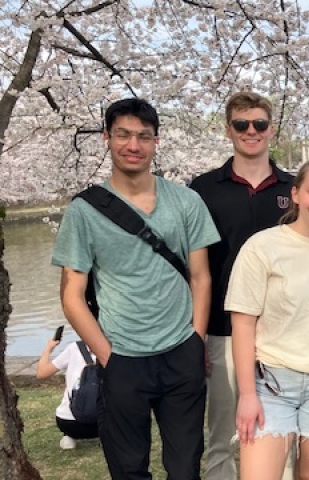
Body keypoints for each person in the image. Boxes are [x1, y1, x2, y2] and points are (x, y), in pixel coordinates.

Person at [52, 98, 220, 479]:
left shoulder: (186, 202)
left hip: (181, 352)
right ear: (107, 138)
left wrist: (197, 338)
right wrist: (107, 355)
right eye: (124, 135)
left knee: (185, 468)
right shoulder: (85, 211)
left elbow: (200, 277)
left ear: (156, 142)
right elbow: (71, 295)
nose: (133, 145)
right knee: (128, 469)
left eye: (143, 137)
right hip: (122, 355)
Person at [226, 159, 309, 480]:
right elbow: (243, 324)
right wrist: (246, 395)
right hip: (271, 384)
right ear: (295, 194)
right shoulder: (262, 247)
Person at [189, 91, 295, 480]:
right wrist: (196, 335)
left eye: (259, 124)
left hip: (283, 330)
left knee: (279, 431)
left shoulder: (294, 190)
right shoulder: (202, 189)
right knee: (222, 431)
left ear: (271, 130)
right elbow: (194, 267)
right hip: (222, 329)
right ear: (228, 129)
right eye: (241, 124)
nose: (251, 132)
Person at [36, 336, 99, 450]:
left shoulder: (74, 348)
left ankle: (69, 438)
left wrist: (48, 349)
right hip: (104, 425)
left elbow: (42, 373)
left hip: (68, 424)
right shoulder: (117, 348)